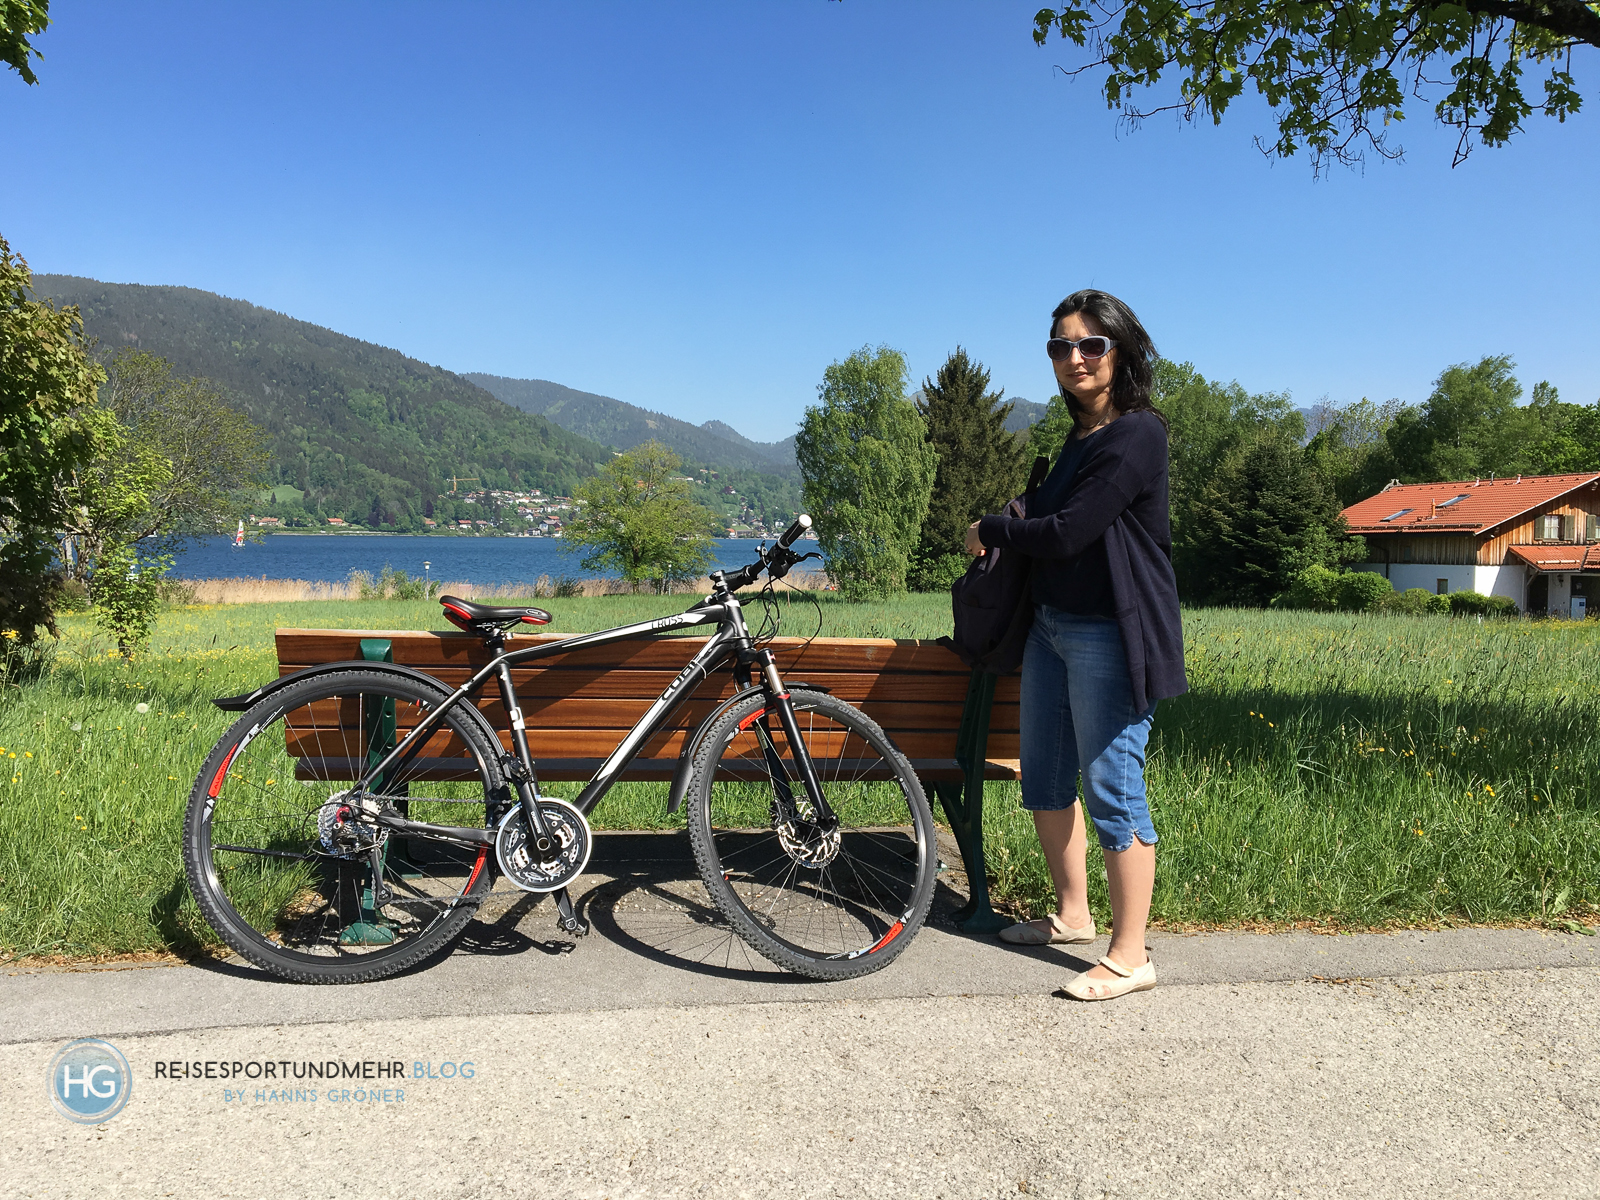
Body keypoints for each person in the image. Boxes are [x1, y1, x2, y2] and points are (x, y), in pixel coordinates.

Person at [963, 289, 1186, 1002]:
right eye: (1061, 346)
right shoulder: (1078, 440)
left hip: (1110, 634)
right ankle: (1071, 915)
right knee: (1045, 779)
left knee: (1112, 789)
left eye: (1091, 344)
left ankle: (1131, 955)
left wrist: (991, 528)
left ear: (1122, 352)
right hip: (1052, 628)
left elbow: (1067, 532)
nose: (1075, 357)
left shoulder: (1138, 434)